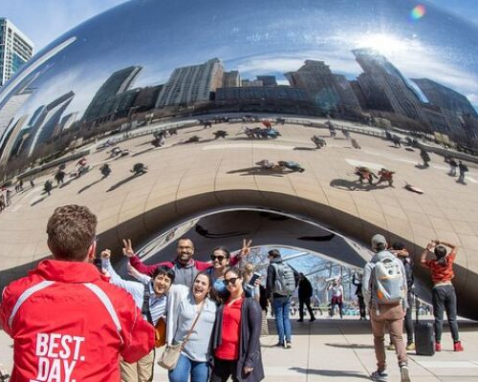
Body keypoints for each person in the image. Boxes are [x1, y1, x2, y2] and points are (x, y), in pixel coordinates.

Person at [0, 205, 154, 381]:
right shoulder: (117, 302)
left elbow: (11, 327)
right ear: (92, 249)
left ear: (50, 245)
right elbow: (139, 346)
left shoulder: (17, 295)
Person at [101, 249, 175, 382]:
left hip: (147, 345)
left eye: (166, 280)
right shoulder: (138, 289)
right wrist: (106, 261)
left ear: (170, 285)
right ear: (153, 279)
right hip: (130, 342)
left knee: (145, 379)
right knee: (131, 380)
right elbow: (116, 281)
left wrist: (139, 274)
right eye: (159, 278)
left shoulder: (169, 299)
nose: (162, 283)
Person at [362, 234, 410, 382]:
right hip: (396, 305)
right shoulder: (398, 262)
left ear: (373, 247)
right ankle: (403, 365)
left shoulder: (371, 265)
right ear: (386, 244)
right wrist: (404, 303)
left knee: (379, 338)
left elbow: (365, 287)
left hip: (378, 307)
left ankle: (382, 371)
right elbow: (404, 285)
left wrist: (368, 304)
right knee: (398, 337)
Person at [210, 267, 265, 382]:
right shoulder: (223, 299)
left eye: (233, 280)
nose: (229, 284)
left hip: (239, 357)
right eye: (226, 281)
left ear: (240, 279)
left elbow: (256, 332)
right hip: (220, 355)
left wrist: (249, 360)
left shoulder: (250, 303)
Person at [126, 238, 251, 287]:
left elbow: (221, 265)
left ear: (192, 250)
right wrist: (132, 256)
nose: (184, 250)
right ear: (177, 250)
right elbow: (144, 270)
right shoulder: (168, 267)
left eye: (187, 248)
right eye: (181, 247)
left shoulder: (200, 267)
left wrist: (239, 256)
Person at [166, 272, 217, 382]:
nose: (199, 285)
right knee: (176, 378)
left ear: (208, 289)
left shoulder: (214, 306)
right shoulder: (182, 300)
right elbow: (164, 284)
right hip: (182, 351)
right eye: (197, 281)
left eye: (203, 283)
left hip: (203, 357)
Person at [420, 239, 463, 352]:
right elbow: (456, 246)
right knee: (452, 318)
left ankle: (437, 343)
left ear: (435, 254)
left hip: (438, 288)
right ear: (444, 253)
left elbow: (422, 261)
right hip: (449, 288)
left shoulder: (433, 263)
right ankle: (456, 343)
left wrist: (427, 248)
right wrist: (442, 242)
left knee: (438, 318)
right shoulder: (449, 260)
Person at [266, 249, 298, 349]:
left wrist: (268, 295)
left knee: (279, 318)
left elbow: (269, 283)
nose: (268, 258)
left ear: (272, 256)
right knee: (286, 318)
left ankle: (280, 341)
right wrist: (293, 288)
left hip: (277, 296)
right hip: (288, 295)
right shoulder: (287, 265)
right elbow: (297, 275)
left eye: (268, 256)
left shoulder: (272, 266)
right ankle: (288, 341)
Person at [389, 242, 415, 351]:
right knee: (407, 317)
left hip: (395, 290)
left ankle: (393, 342)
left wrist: (392, 251)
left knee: (393, 317)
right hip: (406, 291)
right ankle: (410, 342)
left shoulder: (392, 260)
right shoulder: (408, 260)